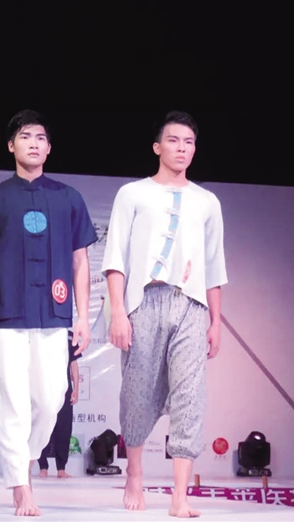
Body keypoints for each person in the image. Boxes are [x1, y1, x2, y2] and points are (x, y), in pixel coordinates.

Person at [0, 109, 97, 517]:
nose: (33, 143)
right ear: (11, 145)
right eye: (25, 136)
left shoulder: (68, 198)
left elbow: (81, 261)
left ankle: (25, 457)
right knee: (12, 404)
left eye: (40, 137)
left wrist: (83, 316)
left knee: (52, 398)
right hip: (7, 316)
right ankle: (21, 487)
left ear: (49, 148)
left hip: (54, 315)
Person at [102, 110, 228, 518]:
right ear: (158, 147)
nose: (182, 148)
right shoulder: (133, 194)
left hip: (191, 306)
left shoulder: (207, 202)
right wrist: (118, 313)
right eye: (174, 141)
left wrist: (216, 321)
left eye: (189, 142)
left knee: (191, 396)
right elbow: (115, 256)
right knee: (137, 392)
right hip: (144, 302)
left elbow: (214, 265)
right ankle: (135, 473)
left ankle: (179, 495)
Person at [38, 331, 80, 478]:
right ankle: (43, 466)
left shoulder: (69, 336)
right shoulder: (39, 332)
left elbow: (74, 364)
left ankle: (61, 468)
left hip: (64, 388)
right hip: (43, 387)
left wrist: (76, 389)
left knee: (63, 428)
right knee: (42, 426)